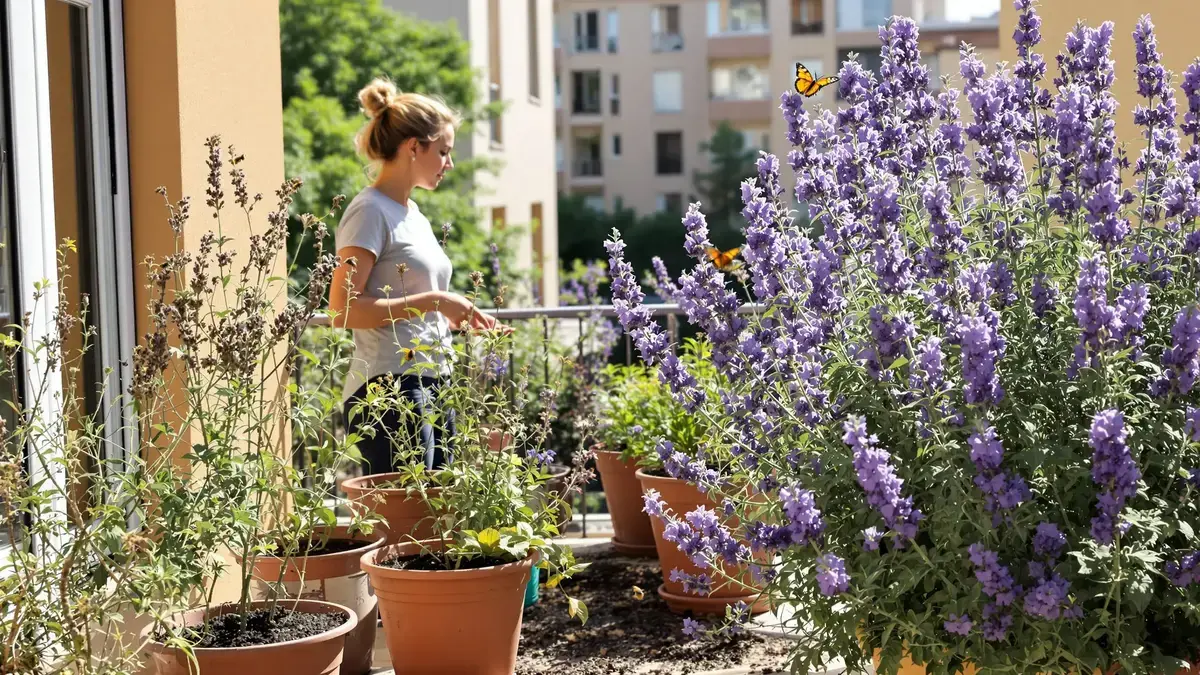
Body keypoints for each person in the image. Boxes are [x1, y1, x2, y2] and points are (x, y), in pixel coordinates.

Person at [329, 77, 501, 474]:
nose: (449, 164)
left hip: (431, 379)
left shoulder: (414, 214)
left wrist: (455, 316)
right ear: (412, 147)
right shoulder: (369, 210)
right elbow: (343, 311)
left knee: (436, 515)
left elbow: (411, 306)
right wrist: (437, 302)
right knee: (408, 520)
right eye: (443, 152)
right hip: (387, 388)